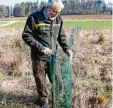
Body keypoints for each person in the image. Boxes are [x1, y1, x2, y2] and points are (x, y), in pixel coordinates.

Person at [22, 0, 73, 107]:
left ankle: (58, 99)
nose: (56, 14)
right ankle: (44, 100)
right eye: (55, 11)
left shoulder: (58, 19)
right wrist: (40, 47)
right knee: (40, 80)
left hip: (53, 57)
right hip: (38, 57)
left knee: (56, 79)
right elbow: (26, 35)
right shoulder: (34, 18)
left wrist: (67, 49)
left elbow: (61, 37)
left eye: (59, 12)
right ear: (48, 8)